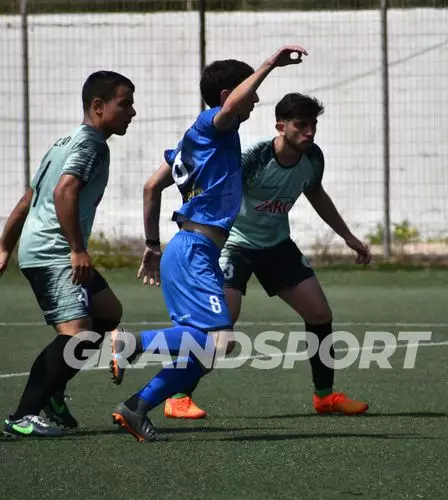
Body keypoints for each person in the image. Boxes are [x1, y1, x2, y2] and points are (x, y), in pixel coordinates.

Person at [110, 45, 308, 442]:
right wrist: (270, 64)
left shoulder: (198, 142)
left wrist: (152, 244)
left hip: (191, 251)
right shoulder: (210, 125)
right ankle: (131, 343)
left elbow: (151, 187)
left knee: (204, 354)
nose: (255, 100)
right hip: (194, 250)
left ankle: (136, 407)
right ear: (227, 97)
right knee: (220, 341)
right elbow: (230, 107)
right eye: (251, 92)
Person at [163, 93, 372, 419]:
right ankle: (177, 396)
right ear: (280, 126)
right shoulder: (254, 158)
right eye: (301, 125)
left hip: (277, 245)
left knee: (319, 314)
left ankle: (325, 397)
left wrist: (348, 236)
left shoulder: (313, 158)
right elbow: (216, 190)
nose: (309, 132)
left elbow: (315, 193)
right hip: (235, 245)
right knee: (219, 326)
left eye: (313, 125)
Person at [0, 71, 136, 438]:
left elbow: (27, 200)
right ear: (98, 106)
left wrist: (5, 246)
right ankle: (22, 417)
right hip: (54, 252)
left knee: (108, 312)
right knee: (77, 334)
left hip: (47, 248)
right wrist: (77, 249)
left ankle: (54, 390)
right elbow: (63, 192)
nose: (132, 112)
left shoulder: (64, 141)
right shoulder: (91, 145)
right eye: (125, 104)